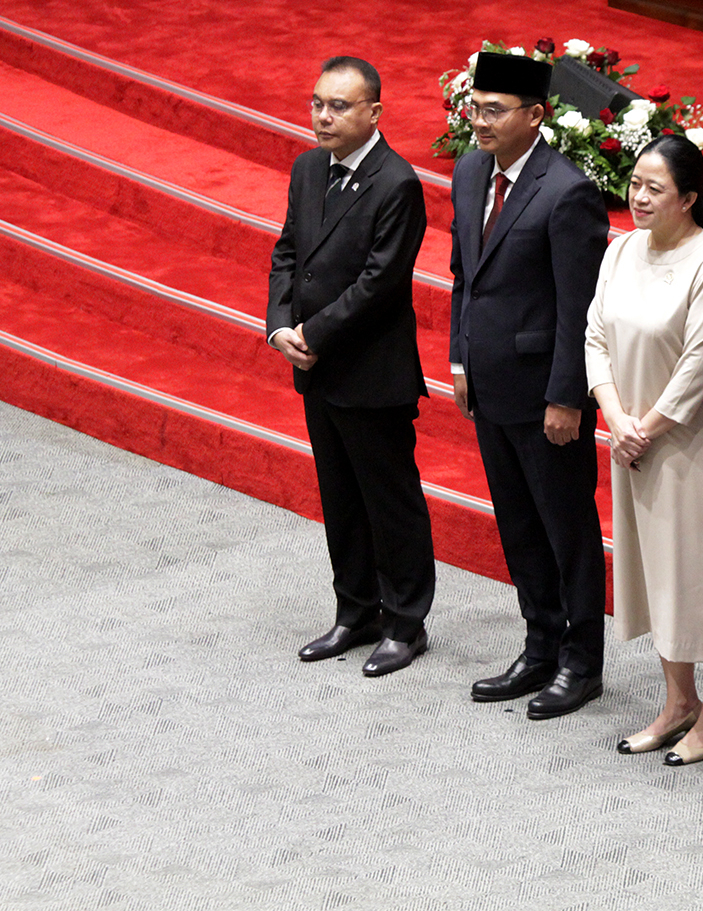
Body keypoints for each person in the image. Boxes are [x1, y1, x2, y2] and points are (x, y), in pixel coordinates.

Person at [585, 134, 703, 766]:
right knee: (656, 573)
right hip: (630, 437)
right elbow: (594, 333)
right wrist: (614, 416)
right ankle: (677, 701)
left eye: (654, 189)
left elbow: (699, 366)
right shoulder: (620, 249)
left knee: (701, 576)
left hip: (691, 443)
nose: (638, 196)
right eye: (635, 183)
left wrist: (644, 428)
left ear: (688, 198)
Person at [449, 53, 610, 719]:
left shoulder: (566, 191)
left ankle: (581, 661)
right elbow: (464, 273)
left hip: (547, 397)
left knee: (565, 529)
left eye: (493, 110)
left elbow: (581, 308)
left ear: (535, 115)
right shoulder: (468, 171)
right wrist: (460, 360)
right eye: (474, 107)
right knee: (518, 526)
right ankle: (539, 644)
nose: (478, 121)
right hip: (489, 386)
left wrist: (568, 396)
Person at [267, 57, 436, 677]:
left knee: (389, 500)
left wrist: (314, 331)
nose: (323, 116)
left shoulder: (397, 184)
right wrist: (281, 324)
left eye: (338, 106)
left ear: (374, 113)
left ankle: (406, 622)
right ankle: (356, 611)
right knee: (339, 495)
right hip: (317, 366)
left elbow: (380, 283)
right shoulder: (308, 168)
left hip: (371, 370)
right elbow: (288, 250)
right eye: (317, 103)